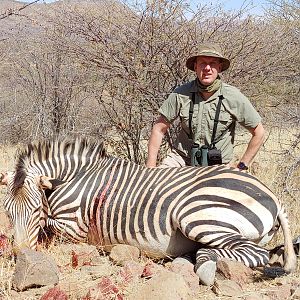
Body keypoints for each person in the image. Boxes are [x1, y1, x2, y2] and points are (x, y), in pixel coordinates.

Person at [146, 42, 265, 170]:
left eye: (212, 63)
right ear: (196, 67)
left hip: (218, 164)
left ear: (219, 68)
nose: (207, 68)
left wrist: (242, 165)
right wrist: (151, 167)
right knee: (157, 186)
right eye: (203, 63)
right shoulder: (180, 93)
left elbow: (259, 132)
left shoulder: (233, 96)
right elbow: (159, 129)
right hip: (181, 159)